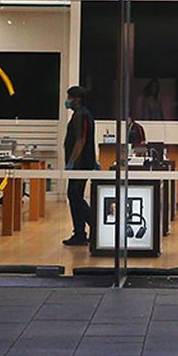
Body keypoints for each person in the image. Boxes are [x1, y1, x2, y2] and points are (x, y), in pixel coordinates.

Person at [62, 85, 97, 247]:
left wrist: (71, 161)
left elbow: (81, 140)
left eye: (70, 97)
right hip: (81, 163)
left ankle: (88, 229)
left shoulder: (82, 115)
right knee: (75, 197)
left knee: (75, 197)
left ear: (77, 99)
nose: (68, 101)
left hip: (79, 164)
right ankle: (82, 231)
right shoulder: (82, 115)